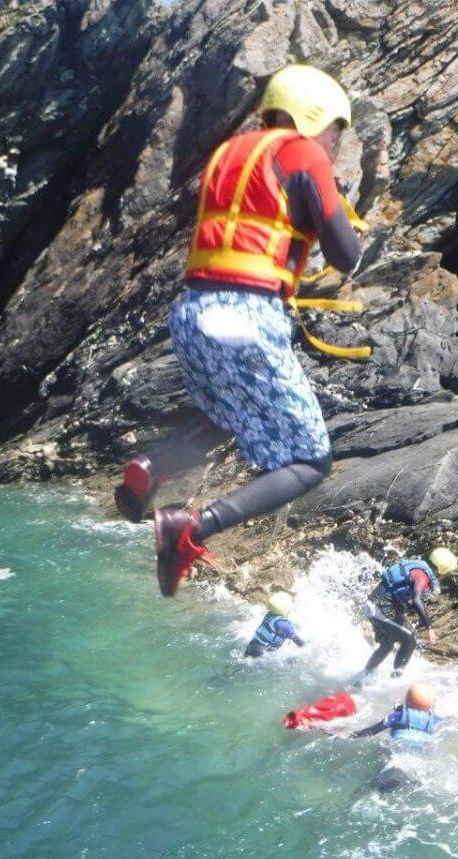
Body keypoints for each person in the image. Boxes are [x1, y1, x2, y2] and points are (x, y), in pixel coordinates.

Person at [114, 64, 367, 596]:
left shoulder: (231, 151)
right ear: (314, 117)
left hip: (191, 312)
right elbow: (347, 254)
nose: (337, 141)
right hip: (244, 317)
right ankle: (193, 527)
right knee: (309, 460)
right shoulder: (303, 152)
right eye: (337, 129)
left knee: (227, 417)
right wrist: (336, 204)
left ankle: (150, 464)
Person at [357, 547, 458, 681]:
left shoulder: (416, 565)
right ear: (442, 569)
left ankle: (363, 678)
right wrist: (429, 628)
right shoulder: (423, 576)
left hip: (376, 605)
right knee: (410, 640)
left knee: (387, 644)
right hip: (379, 609)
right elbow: (416, 600)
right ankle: (395, 679)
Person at [350, 683, 446, 743]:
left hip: (400, 743)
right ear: (431, 705)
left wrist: (355, 735)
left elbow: (377, 728)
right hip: (420, 747)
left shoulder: (399, 715)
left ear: (407, 701)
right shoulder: (433, 719)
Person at [245, 591, 304, 658]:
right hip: (261, 651)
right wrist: (305, 648)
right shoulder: (284, 625)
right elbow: (298, 641)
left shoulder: (269, 615)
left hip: (253, 644)